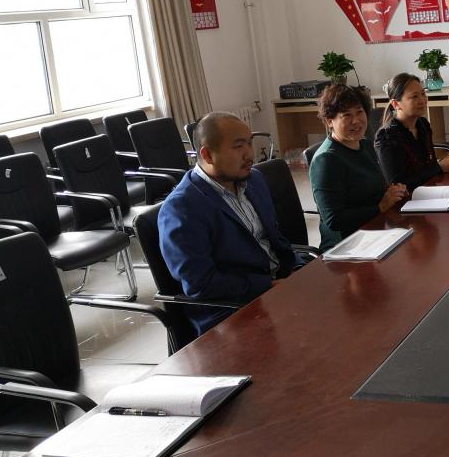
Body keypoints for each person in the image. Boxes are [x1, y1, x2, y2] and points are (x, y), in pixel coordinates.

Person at [158, 112, 301, 336]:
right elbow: (201, 284)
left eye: (249, 143)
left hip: (277, 288)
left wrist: (298, 268)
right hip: (232, 311)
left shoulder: (253, 180)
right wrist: (266, 285)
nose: (249, 154)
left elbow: (275, 238)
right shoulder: (182, 208)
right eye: (238, 146)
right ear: (207, 154)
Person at [309, 84, 407, 250]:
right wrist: (380, 206)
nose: (356, 121)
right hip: (346, 245)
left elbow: (371, 189)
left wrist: (393, 192)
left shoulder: (365, 145)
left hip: (374, 230)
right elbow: (334, 219)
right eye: (346, 115)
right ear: (329, 121)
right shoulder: (326, 159)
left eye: (359, 112)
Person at [374, 73, 449, 191]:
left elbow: (430, 166)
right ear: (396, 104)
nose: (422, 100)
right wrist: (439, 168)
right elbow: (398, 185)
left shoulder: (422, 124)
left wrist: (444, 165)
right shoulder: (387, 137)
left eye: (423, 94)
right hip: (406, 199)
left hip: (429, 190)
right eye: (414, 96)